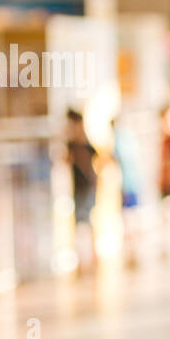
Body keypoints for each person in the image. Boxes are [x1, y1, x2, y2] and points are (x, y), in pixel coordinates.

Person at [66, 109, 98, 274]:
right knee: (79, 222)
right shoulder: (70, 144)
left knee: (88, 221)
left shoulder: (84, 144)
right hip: (77, 188)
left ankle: (92, 255)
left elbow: (97, 157)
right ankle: (80, 257)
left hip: (86, 187)